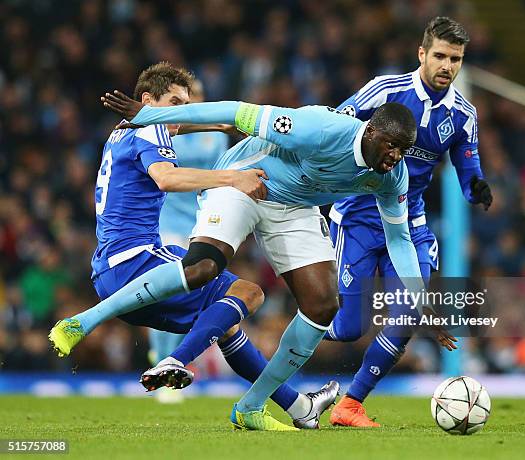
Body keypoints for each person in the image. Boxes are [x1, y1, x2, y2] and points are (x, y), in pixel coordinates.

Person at [94, 88, 457, 431]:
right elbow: (235, 112)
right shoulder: (319, 129)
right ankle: (129, 336)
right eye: (391, 146)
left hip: (295, 207)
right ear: (372, 131)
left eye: (403, 150)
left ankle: (251, 406)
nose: (396, 156)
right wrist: (152, 116)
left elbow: (400, 237)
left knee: (323, 306)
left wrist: (417, 298)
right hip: (246, 182)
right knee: (206, 266)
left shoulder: (393, 176)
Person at [49, 62, 339, 429]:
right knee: (248, 292)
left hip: (109, 268)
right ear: (147, 101)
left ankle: (298, 407)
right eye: (175, 101)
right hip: (138, 261)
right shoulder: (151, 129)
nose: (182, 109)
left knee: (225, 321)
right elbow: (166, 178)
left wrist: (218, 123)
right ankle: (169, 359)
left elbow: (179, 124)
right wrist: (233, 178)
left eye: (187, 102)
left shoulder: (124, 130)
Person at [326, 16, 493, 427]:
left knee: (410, 311)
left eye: (455, 59)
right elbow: (335, 124)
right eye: (439, 56)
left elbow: (467, 164)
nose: (447, 66)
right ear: (422, 54)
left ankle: (350, 404)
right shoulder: (385, 90)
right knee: (349, 328)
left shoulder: (463, 114)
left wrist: (477, 189)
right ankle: (295, 335)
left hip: (409, 221)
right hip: (358, 219)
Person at [148, 79, 228, 404]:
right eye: (182, 97)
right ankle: (161, 363)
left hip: (200, 220)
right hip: (167, 220)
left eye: (196, 95)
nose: (191, 101)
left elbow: (218, 175)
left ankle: (172, 364)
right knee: (167, 290)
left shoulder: (217, 134)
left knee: (191, 293)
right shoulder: (165, 131)